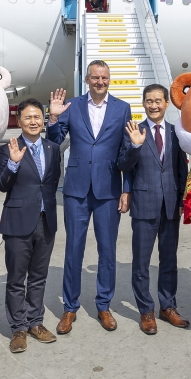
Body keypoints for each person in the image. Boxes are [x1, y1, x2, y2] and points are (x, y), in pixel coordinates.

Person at [46, 60, 132, 333]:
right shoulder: (72, 106)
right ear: (87, 79)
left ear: (109, 79)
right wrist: (54, 117)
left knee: (107, 251)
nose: (100, 82)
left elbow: (127, 152)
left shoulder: (122, 108)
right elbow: (55, 140)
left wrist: (126, 188)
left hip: (108, 190)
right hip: (76, 190)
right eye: (95, 77)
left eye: (104, 77)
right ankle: (69, 308)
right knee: (74, 249)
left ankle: (103, 305)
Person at [117, 84, 191, 335]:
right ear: (143, 104)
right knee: (141, 262)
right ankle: (146, 310)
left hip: (170, 204)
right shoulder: (134, 131)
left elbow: (182, 169)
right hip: (144, 204)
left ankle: (167, 306)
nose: (154, 105)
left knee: (169, 260)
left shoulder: (175, 132)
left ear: (166, 103)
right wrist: (136, 146)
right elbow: (123, 164)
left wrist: (182, 200)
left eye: (158, 100)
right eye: (149, 101)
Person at [0, 98, 62, 353]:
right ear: (19, 121)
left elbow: (51, 182)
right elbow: (2, 185)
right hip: (18, 222)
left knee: (38, 277)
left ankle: (35, 322)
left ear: (43, 120)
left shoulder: (53, 148)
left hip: (46, 222)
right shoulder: (8, 148)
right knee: (15, 279)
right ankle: (18, 328)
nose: (33, 122)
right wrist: (12, 163)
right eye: (28, 118)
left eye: (37, 117)